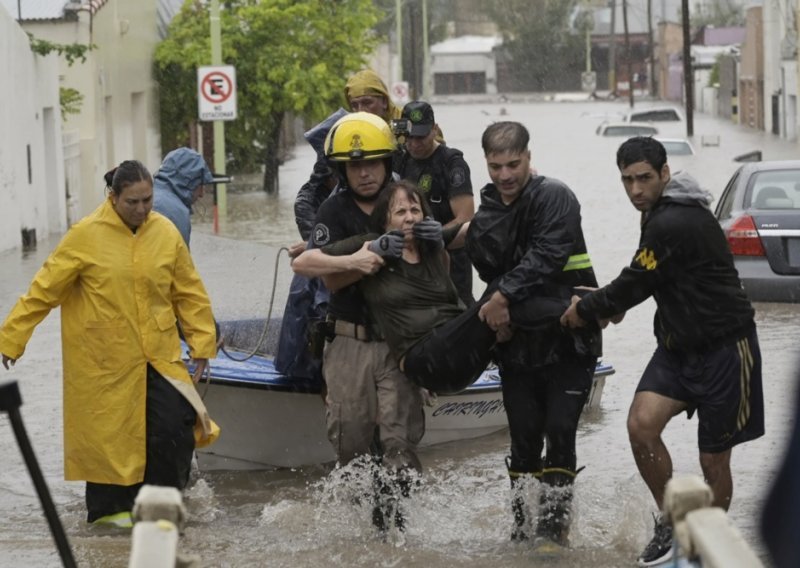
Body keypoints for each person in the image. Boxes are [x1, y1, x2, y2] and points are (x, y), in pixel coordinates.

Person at [560, 136, 764, 567]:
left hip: (726, 350)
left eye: (645, 179)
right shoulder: (657, 213)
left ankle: (701, 543)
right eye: (628, 180)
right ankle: (672, 521)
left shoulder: (674, 219)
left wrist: (590, 309)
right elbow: (648, 276)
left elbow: (637, 281)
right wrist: (611, 302)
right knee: (640, 426)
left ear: (665, 174)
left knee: (713, 457)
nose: (636, 189)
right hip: (677, 348)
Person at [0, 160, 219, 528]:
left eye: (147, 200)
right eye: (132, 202)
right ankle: (110, 533)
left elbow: (189, 292)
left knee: (173, 431)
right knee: (109, 442)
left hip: (158, 356)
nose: (142, 209)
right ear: (113, 197)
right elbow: (43, 291)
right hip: (104, 363)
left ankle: (163, 515)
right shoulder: (85, 235)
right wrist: (11, 338)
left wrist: (202, 343)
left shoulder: (165, 233)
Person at [464, 121, 601, 548]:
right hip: (517, 344)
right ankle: (522, 531)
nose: (505, 175)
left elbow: (547, 256)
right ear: (485, 163)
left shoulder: (555, 196)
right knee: (523, 436)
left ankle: (553, 533)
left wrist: (502, 297)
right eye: (495, 166)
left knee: (560, 429)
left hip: (569, 339)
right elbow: (486, 270)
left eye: (513, 164)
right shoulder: (487, 213)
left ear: (528, 156)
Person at [291, 112, 424, 532]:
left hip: (397, 343)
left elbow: (442, 257)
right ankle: (361, 530)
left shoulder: (405, 203)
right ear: (342, 170)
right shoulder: (333, 210)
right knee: (350, 442)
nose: (365, 173)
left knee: (398, 440)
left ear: (387, 164)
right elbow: (319, 269)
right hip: (348, 340)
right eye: (355, 165)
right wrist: (361, 259)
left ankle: (395, 527)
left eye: (372, 163)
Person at [393, 101, 475, 306]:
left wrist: (434, 236)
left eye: (421, 136)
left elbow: (466, 219)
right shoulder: (401, 160)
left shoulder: (452, 163)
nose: (414, 144)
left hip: (451, 259)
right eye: (409, 137)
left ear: (435, 130)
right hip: (410, 257)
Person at [152, 147, 215, 247]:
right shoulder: (176, 212)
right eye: (200, 184)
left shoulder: (147, 194)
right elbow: (180, 260)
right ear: (190, 181)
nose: (201, 194)